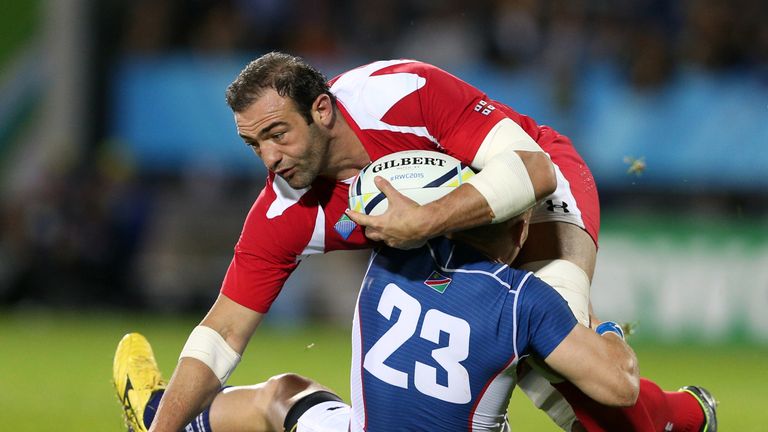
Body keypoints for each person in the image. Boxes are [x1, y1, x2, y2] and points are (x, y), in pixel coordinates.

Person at [134, 52, 712, 431]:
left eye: (278, 134)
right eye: (253, 144)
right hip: (444, 236)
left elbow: (532, 171)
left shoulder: (401, 95)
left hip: (535, 195)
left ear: (323, 110)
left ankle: (679, 416)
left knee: (558, 370)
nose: (269, 160)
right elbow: (223, 332)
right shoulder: (283, 209)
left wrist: (425, 220)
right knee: (532, 360)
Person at [113, 212, 715, 431]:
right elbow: (618, 388)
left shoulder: (392, 255)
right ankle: (693, 417)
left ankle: (163, 415)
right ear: (520, 230)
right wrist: (599, 326)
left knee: (284, 396)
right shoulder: (523, 299)